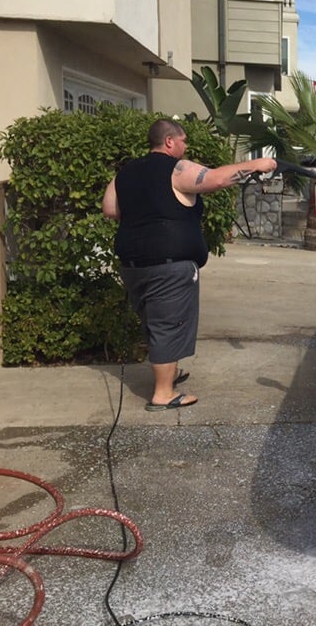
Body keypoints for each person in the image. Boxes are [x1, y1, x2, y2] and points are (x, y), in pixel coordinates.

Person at [102, 118, 276, 411]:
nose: (185, 147)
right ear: (169, 141)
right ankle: (163, 394)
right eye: (183, 142)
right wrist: (258, 165)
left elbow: (110, 209)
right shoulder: (176, 169)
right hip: (168, 266)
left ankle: (168, 374)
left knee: (155, 322)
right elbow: (217, 179)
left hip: (133, 264)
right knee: (169, 323)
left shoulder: (126, 172)